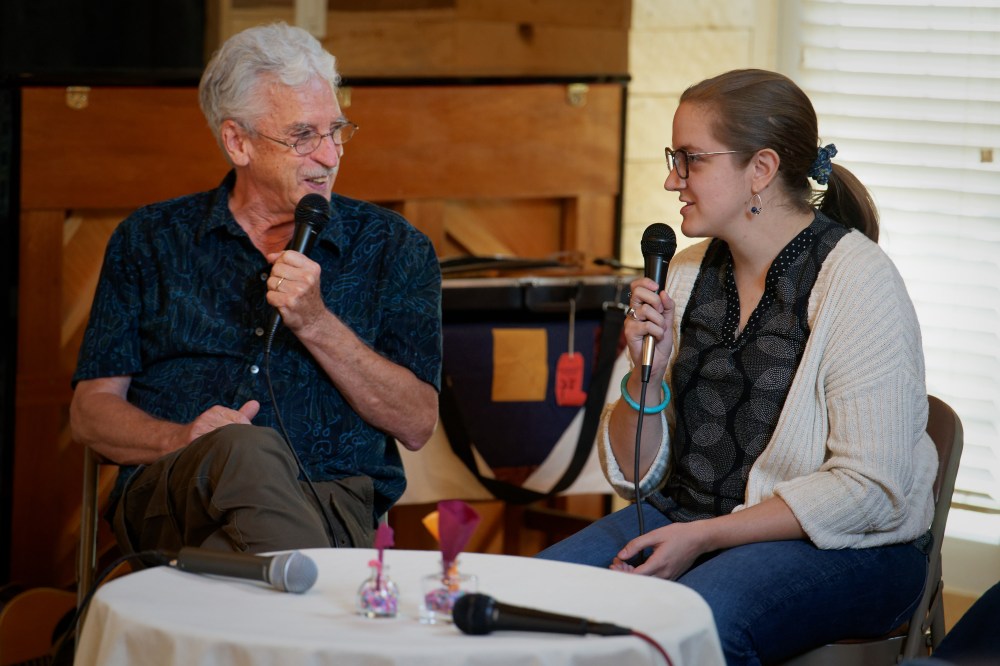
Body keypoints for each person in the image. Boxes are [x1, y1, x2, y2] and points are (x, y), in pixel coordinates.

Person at [537, 69, 937, 665]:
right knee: (530, 596)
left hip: (851, 546)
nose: (672, 180)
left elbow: (870, 490)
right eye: (674, 158)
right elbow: (637, 480)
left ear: (762, 169)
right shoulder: (689, 270)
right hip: (690, 519)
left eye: (689, 160)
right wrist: (645, 374)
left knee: (690, 624)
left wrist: (703, 538)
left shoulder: (859, 282)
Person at [69, 22, 442, 557]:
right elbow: (90, 412)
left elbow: (416, 422)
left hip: (329, 505)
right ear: (237, 142)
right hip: (176, 498)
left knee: (227, 565)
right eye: (303, 136)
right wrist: (186, 440)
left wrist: (316, 323)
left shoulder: (394, 249)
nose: (330, 156)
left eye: (336, 130)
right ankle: (317, 619)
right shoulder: (149, 241)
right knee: (240, 451)